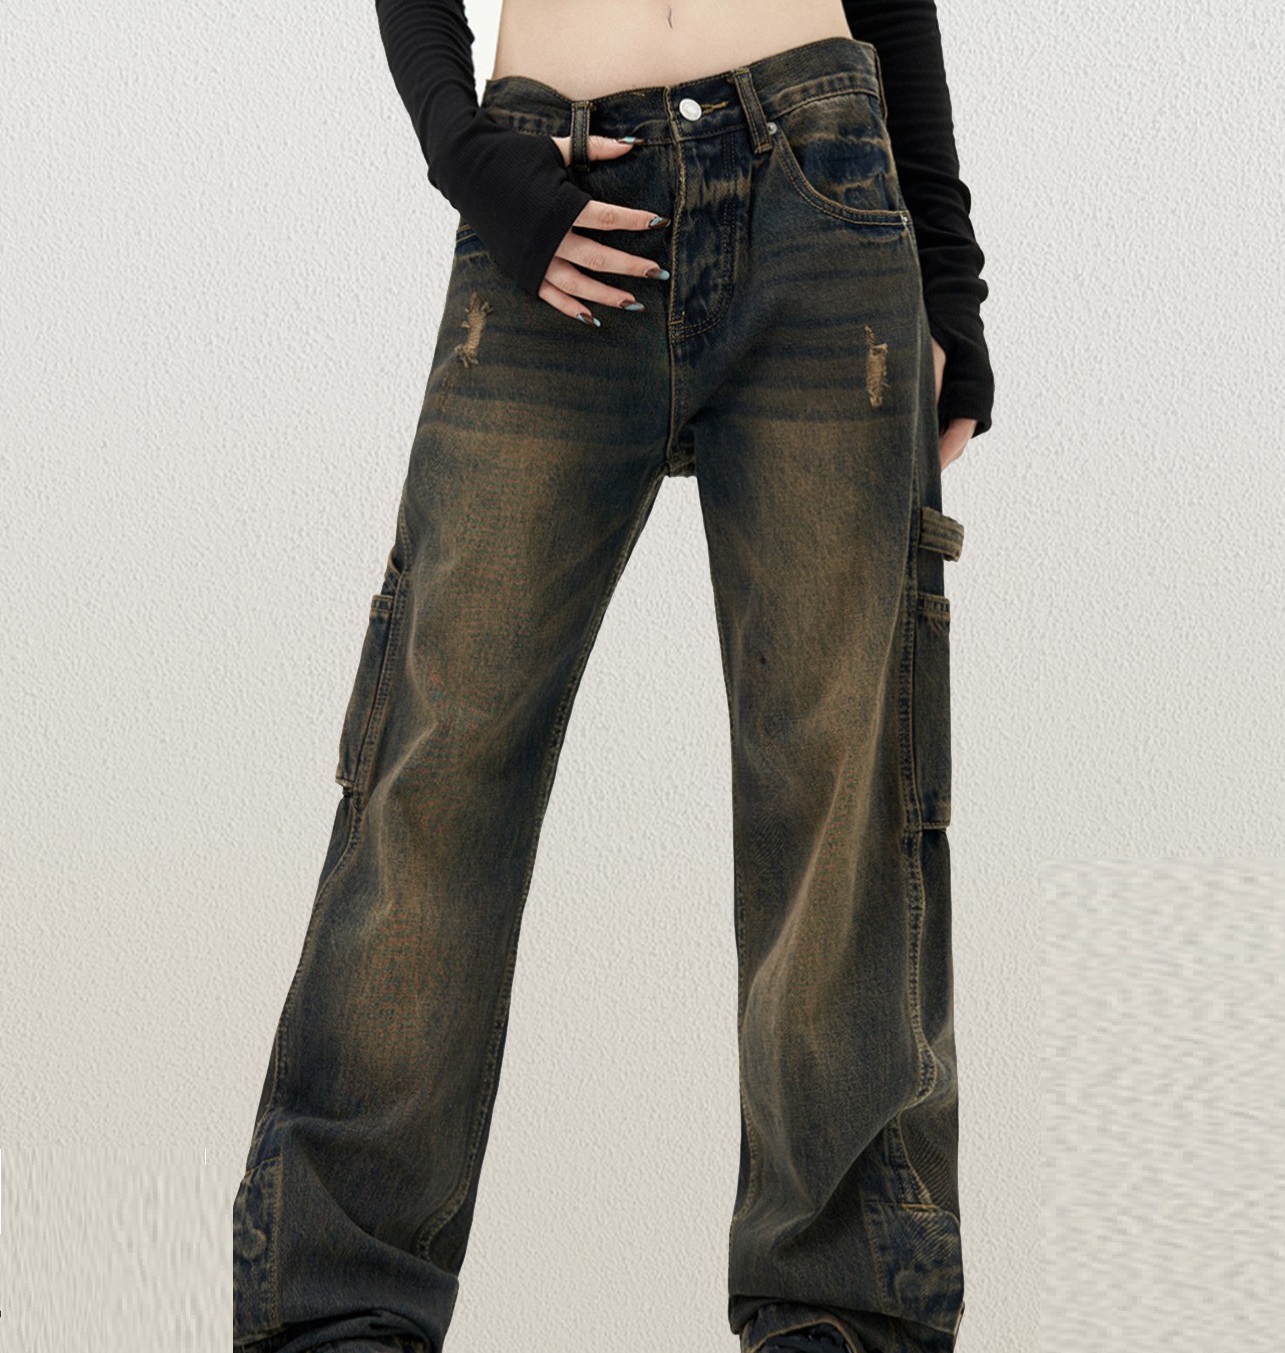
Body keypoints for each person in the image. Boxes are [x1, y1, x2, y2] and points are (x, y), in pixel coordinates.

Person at [231, 1, 991, 1351]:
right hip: (553, 197)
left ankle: (842, 1318)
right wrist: (468, 155)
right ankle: (340, 1317)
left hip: (822, 182)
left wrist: (949, 280)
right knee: (436, 774)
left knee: (846, 792)